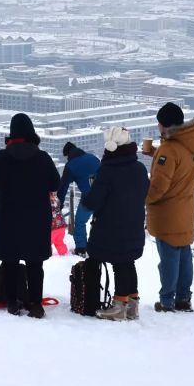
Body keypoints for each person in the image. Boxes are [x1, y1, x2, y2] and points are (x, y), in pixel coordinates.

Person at [0, 113, 60, 318]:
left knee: (10, 261)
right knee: (35, 263)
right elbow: (55, 183)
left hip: (8, 216)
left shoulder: (1, 157)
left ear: (12, 133)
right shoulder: (42, 158)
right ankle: (35, 304)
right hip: (36, 217)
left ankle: (12, 302)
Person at [82, 127, 150, 321]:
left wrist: (88, 194)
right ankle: (132, 305)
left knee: (116, 262)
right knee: (127, 261)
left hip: (109, 229)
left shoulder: (107, 171)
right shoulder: (139, 169)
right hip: (134, 225)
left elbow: (93, 202)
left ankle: (119, 305)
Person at [145, 102, 194, 313]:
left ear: (163, 124)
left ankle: (167, 301)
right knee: (184, 257)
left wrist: (144, 199)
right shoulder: (191, 144)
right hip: (185, 209)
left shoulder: (169, 150)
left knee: (169, 260)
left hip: (167, 213)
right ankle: (184, 298)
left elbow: (159, 186)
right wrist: (156, 153)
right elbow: (179, 164)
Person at [57, 142, 100, 256]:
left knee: (80, 222)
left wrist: (59, 205)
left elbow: (63, 187)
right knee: (100, 221)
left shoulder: (71, 165)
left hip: (88, 198)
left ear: (67, 155)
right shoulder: (93, 158)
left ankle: (81, 249)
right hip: (104, 196)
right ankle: (101, 245)